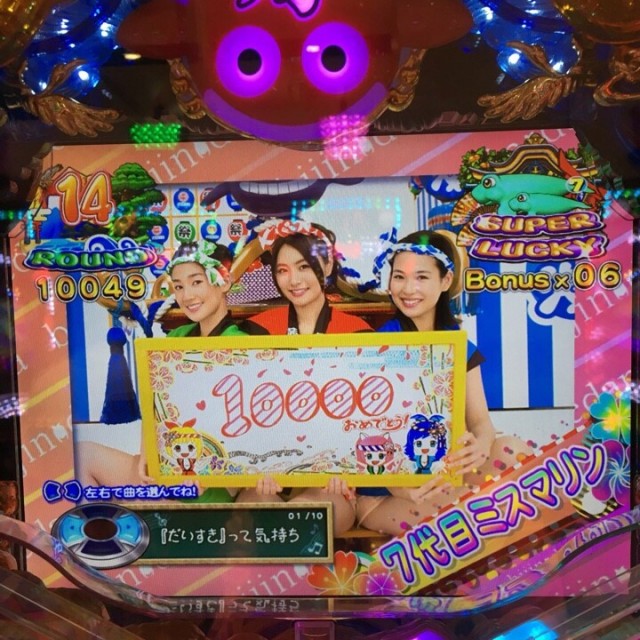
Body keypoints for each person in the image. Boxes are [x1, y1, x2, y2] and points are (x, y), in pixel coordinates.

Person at [355, 230, 533, 536]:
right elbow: (356, 435)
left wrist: (481, 445)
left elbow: (481, 423)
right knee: (477, 512)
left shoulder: (459, 346)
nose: (408, 289)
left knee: (512, 451)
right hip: (386, 496)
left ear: (445, 280)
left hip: (444, 479)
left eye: (421, 277)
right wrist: (396, 484)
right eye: (399, 277)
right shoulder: (375, 347)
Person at [76, 242, 244, 503]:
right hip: (166, 466)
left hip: (214, 478)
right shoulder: (176, 337)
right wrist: (147, 454)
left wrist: (207, 473)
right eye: (179, 286)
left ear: (223, 282)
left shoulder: (244, 343)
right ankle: (112, 531)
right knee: (83, 454)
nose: (187, 295)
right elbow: (155, 405)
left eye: (196, 282)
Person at [237, 219, 372, 535]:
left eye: (303, 267)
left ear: (327, 265)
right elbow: (245, 409)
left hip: (333, 479)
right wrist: (255, 467)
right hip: (269, 472)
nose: (293, 280)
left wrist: (347, 468)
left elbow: (367, 418)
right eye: (282, 270)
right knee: (250, 520)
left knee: (311, 517)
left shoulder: (358, 333)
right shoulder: (257, 330)